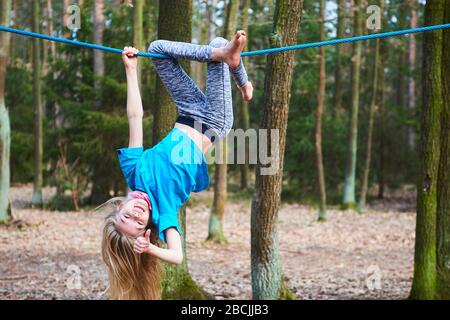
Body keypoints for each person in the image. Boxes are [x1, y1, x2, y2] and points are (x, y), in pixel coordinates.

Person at [99, 31, 253, 299]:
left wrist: (131, 70)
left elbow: (135, 117)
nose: (135, 214)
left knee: (157, 49)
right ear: (146, 228)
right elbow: (176, 255)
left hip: (188, 111)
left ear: (118, 206)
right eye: (137, 223)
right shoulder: (165, 212)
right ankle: (237, 70)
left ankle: (243, 82)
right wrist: (148, 249)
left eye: (126, 216)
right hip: (215, 122)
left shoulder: (134, 172)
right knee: (218, 47)